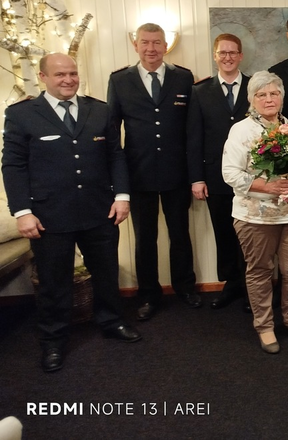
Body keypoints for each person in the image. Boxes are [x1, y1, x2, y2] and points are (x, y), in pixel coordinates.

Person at [2, 53, 141, 372]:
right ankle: (53, 339)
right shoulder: (22, 114)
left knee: (106, 273)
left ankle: (112, 321)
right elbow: (13, 165)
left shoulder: (99, 110)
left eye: (73, 73)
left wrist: (122, 196)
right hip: (50, 215)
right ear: (43, 77)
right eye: (60, 74)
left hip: (99, 210)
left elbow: (115, 156)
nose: (68, 80)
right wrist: (22, 211)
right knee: (54, 282)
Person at [107, 23, 201, 321]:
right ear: (136, 45)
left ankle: (185, 287)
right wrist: (116, 179)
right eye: (145, 42)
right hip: (138, 174)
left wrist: (194, 174)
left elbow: (192, 129)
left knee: (180, 234)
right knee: (145, 239)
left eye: (157, 42)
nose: (151, 48)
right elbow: (112, 131)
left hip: (176, 172)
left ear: (165, 45)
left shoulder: (183, 77)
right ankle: (148, 294)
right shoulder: (119, 80)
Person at [221, 72, 288, 354]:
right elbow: (229, 173)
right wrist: (266, 186)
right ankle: (265, 326)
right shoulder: (242, 130)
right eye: (262, 95)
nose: (269, 99)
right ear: (252, 99)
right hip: (255, 217)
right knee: (260, 271)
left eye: (274, 93)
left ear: (282, 97)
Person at [188, 33, 251, 311]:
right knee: (224, 233)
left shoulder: (255, 87)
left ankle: (252, 287)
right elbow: (194, 137)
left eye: (232, 52)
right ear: (215, 56)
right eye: (222, 53)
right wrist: (197, 178)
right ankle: (231, 283)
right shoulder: (200, 91)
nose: (228, 57)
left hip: (252, 176)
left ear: (240, 56)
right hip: (216, 176)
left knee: (251, 235)